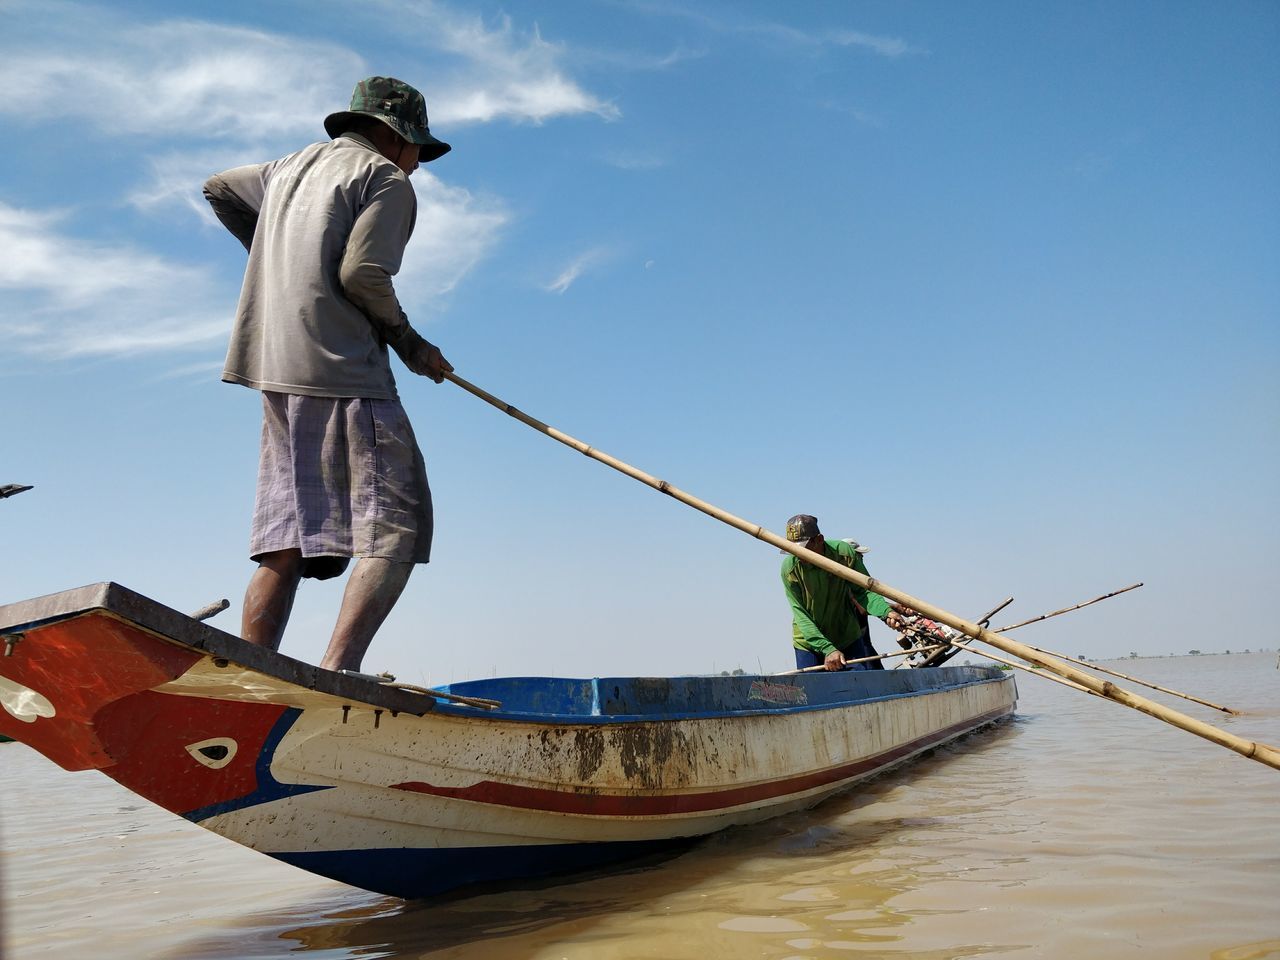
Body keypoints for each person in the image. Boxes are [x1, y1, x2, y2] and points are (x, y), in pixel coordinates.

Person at [203, 76, 453, 673]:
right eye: (419, 149)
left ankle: (252, 675)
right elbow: (364, 275)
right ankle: (339, 674)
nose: (419, 164)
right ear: (396, 138)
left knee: (285, 538)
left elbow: (218, 188)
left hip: (272, 366)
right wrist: (412, 343)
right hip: (342, 367)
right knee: (397, 526)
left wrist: (282, 257)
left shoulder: (285, 169)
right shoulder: (385, 178)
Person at [780, 514, 910, 672]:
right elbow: (801, 614)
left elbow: (863, 591)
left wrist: (886, 612)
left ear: (819, 540)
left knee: (861, 685)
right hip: (809, 643)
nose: (799, 556)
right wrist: (828, 649)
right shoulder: (790, 569)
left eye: (803, 549)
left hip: (847, 637)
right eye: (793, 550)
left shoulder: (843, 554)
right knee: (814, 693)